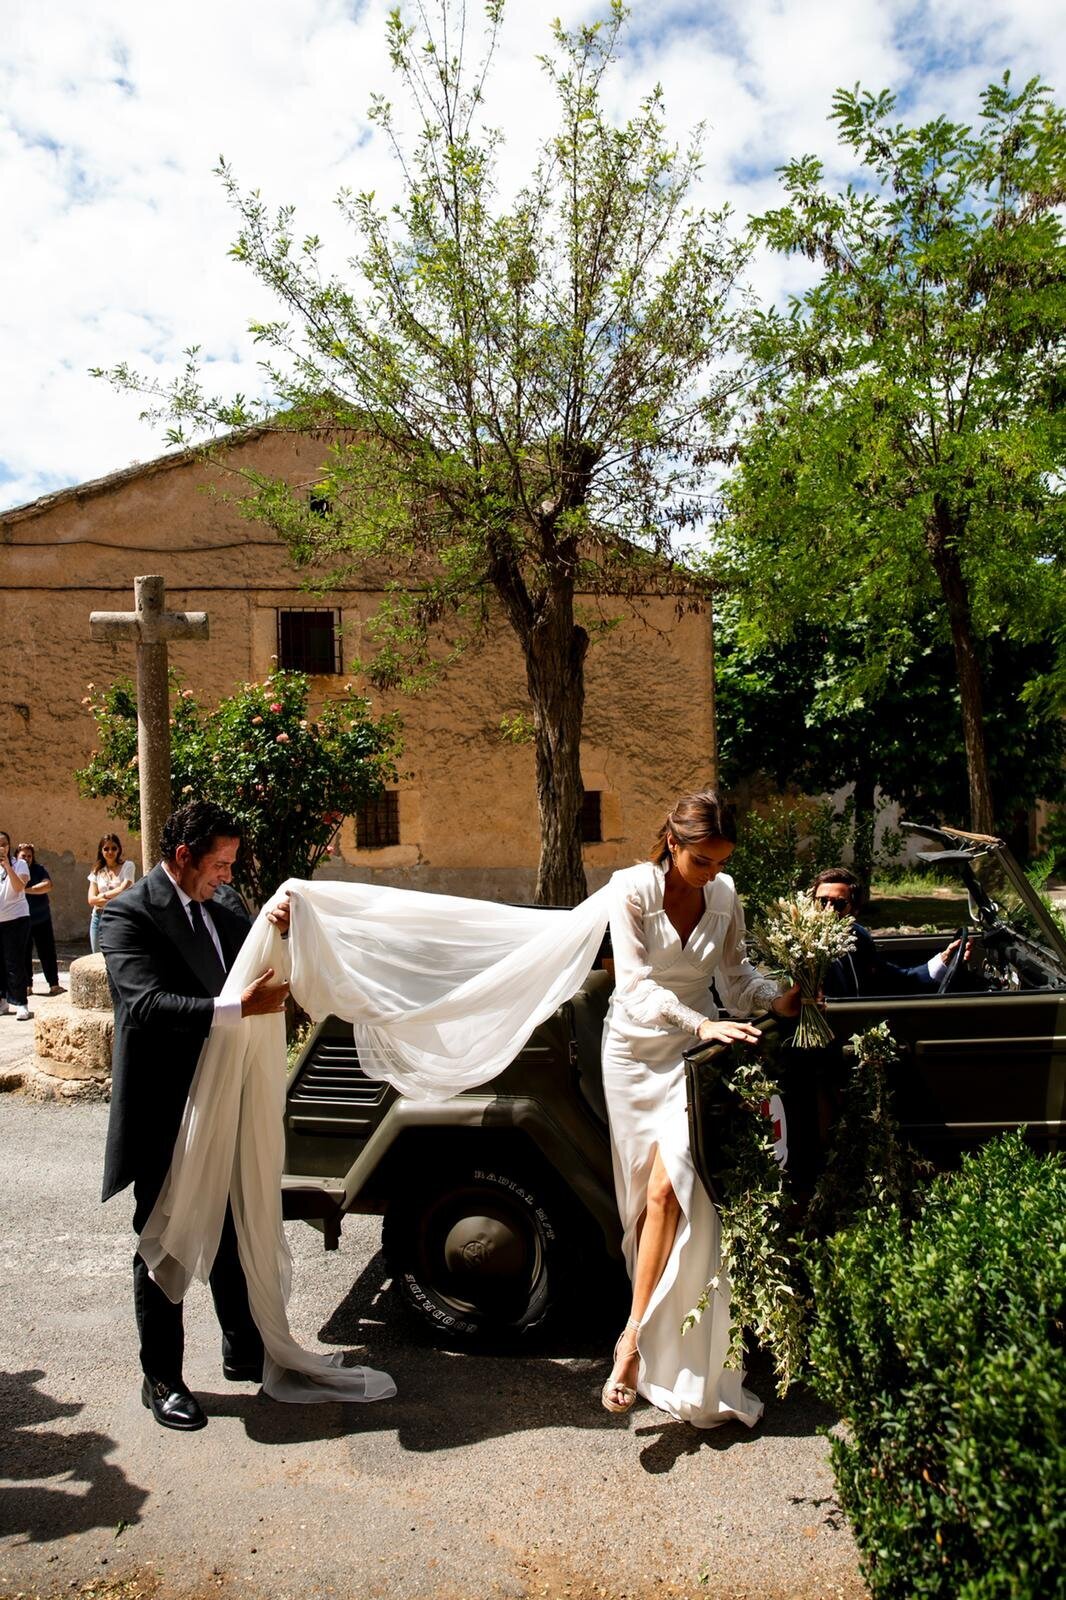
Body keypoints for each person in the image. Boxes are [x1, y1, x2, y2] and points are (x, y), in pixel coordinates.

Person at [599, 792, 800, 1427]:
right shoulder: (629, 890)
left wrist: (778, 995)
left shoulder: (725, 894)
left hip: (694, 1056)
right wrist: (699, 1022)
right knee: (639, 1199)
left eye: (720, 863)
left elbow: (736, 977)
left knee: (670, 1190)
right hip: (633, 1053)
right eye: (703, 861)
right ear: (673, 843)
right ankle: (648, 1333)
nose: (712, 874)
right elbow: (630, 986)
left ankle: (629, 1344)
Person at [100, 800, 293, 1432]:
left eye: (232, 865)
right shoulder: (127, 916)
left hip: (227, 1097)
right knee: (166, 1237)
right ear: (182, 857)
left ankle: (242, 1348)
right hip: (167, 1107)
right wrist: (240, 1008)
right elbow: (147, 1004)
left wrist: (281, 926)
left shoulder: (228, 908)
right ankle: (162, 1379)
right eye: (219, 864)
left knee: (234, 1220)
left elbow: (257, 961)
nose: (226, 877)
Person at [810, 867, 970, 997]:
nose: (828, 910)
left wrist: (944, 961)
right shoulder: (800, 943)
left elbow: (893, 979)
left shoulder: (858, 937)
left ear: (855, 909)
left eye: (839, 904)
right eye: (822, 902)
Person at [18, 843, 62, 996]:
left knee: (48, 952)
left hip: (41, 917)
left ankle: (54, 985)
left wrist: (24, 890)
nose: (27, 859)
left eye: (29, 856)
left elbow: (47, 885)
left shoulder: (39, 869)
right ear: (17, 857)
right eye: (23, 856)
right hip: (22, 919)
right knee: (24, 953)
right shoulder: (14, 871)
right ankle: (27, 986)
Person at [0, 830, 33, 1020]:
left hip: (16, 919)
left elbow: (20, 887)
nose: (1, 847)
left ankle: (21, 1003)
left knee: (15, 962)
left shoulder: (19, 864)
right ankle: (2, 1001)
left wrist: (7, 866)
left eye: (4, 844)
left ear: (9, 846)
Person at [88, 834, 136, 953]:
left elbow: (123, 889)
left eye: (114, 848)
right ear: (101, 851)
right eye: (106, 848)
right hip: (98, 917)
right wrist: (114, 898)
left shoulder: (128, 866)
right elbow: (91, 900)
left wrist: (102, 896)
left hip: (119, 916)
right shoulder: (97, 871)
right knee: (96, 957)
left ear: (119, 849)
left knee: (118, 956)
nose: (110, 852)